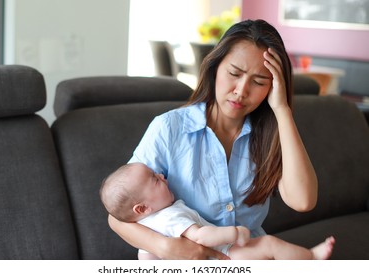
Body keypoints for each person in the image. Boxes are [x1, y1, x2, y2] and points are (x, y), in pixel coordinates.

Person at [109, 19, 323, 259]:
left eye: (259, 82)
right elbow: (118, 216)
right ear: (215, 67)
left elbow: (303, 201)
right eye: (234, 73)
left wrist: (282, 109)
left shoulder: (271, 134)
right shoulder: (169, 128)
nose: (242, 90)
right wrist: (166, 247)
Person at [100, 162, 335, 260]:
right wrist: (235, 232)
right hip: (222, 257)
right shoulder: (169, 217)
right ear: (142, 207)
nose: (162, 176)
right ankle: (310, 258)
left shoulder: (147, 223)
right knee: (269, 245)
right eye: (155, 179)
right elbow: (200, 237)